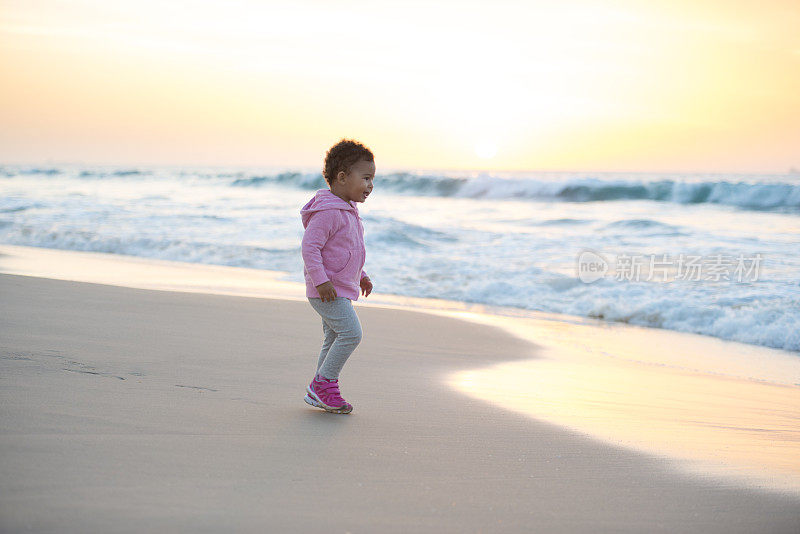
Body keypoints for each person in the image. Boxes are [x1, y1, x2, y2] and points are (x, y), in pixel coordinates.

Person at [300, 138, 375, 414]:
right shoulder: (328, 212)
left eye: (372, 179)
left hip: (339, 288)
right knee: (351, 334)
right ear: (343, 178)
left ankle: (318, 389)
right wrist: (321, 281)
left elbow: (348, 251)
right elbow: (310, 248)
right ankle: (324, 383)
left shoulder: (348, 211)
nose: (370, 185)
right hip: (327, 290)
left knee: (333, 338)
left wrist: (361, 275)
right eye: (366, 178)